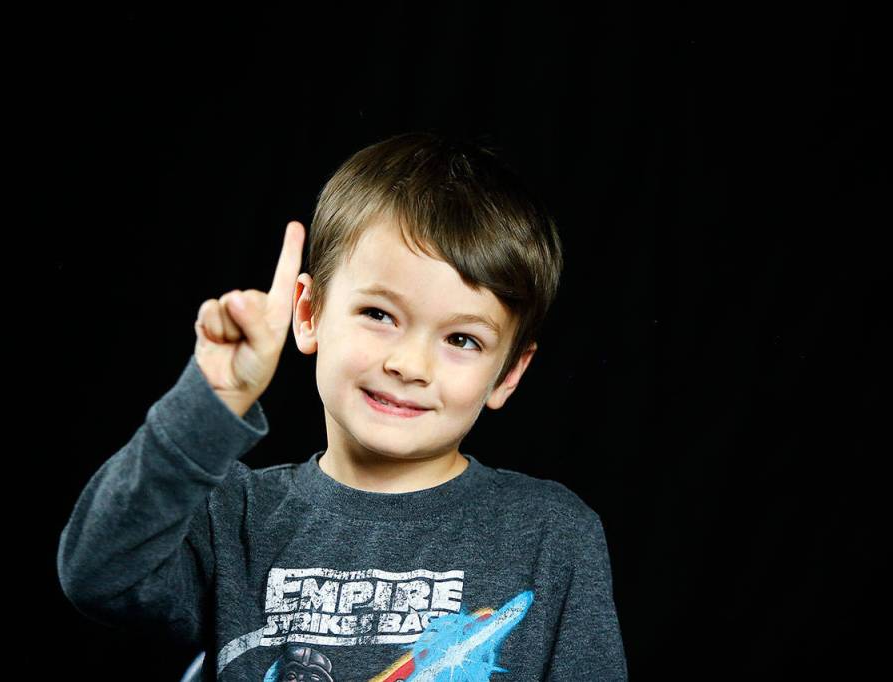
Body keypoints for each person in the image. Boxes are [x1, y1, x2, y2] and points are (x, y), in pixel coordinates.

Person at [57, 132, 629, 680]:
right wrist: (213, 402)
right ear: (309, 314)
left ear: (508, 373)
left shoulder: (551, 533)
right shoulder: (234, 517)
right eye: (379, 314)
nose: (410, 364)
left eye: (462, 340)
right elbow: (99, 574)